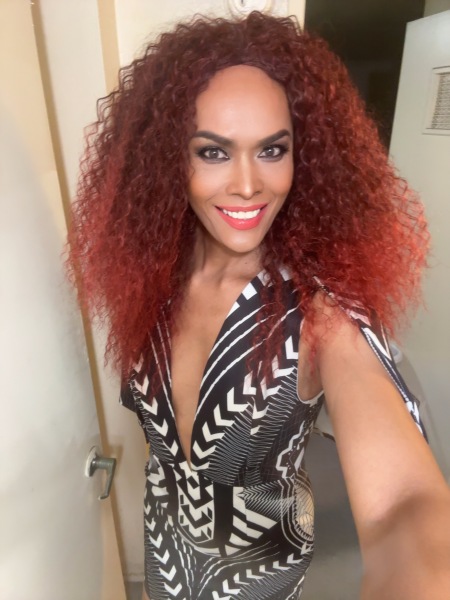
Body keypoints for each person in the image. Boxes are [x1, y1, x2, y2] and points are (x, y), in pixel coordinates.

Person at [67, 11, 450, 600]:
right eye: (213, 153)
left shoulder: (320, 311)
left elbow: (403, 504)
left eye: (272, 150)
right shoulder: (153, 279)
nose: (248, 185)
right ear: (168, 159)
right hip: (165, 558)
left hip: (260, 579)